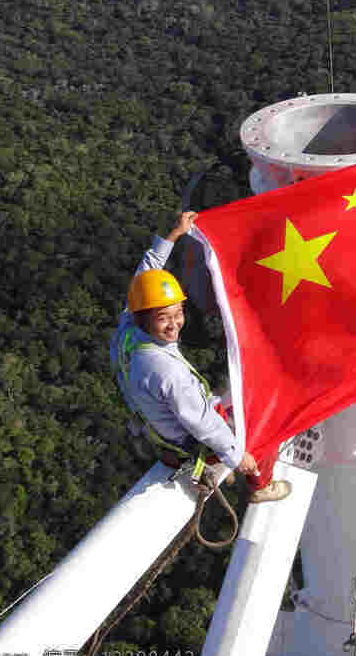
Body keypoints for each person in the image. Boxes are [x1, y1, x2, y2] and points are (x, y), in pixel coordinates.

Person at [111, 211, 291, 503]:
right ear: (146, 318)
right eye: (163, 318)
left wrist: (175, 234)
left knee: (234, 395)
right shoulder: (166, 371)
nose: (174, 324)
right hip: (186, 439)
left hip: (155, 426)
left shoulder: (129, 325)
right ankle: (261, 486)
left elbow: (147, 272)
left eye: (178, 313)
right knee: (268, 416)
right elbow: (201, 421)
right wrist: (235, 456)